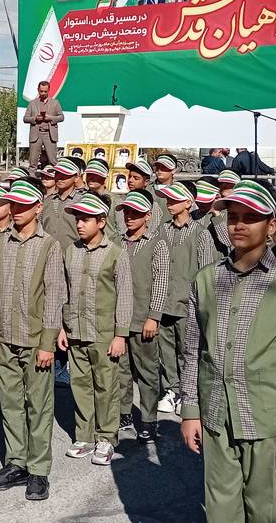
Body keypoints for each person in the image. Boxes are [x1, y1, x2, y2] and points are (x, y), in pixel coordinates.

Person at [180, 180, 276, 523]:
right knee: (221, 510)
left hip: (267, 422)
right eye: (233, 217)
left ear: (271, 225)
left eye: (250, 217)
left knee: (267, 512)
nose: (238, 225)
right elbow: (193, 349)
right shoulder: (207, 279)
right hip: (216, 417)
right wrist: (190, 410)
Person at [0, 177, 66, 501]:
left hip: (35, 343)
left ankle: (39, 470)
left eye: (23, 204)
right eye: (13, 203)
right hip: (4, 338)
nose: (16, 209)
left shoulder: (49, 245)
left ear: (38, 207)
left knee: (40, 407)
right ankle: (16, 462)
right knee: (11, 403)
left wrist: (47, 343)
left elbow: (54, 295)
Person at [58, 192, 132, 464]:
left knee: (106, 386)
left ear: (101, 222)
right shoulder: (71, 251)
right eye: (78, 219)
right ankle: (85, 436)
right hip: (75, 330)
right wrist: (61, 328)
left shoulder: (115, 254)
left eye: (86, 219)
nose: (79, 224)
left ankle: (106, 437)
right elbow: (63, 292)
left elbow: (124, 295)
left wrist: (120, 335)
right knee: (80, 385)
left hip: (104, 333)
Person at [115, 189, 169, 442]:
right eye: (127, 212)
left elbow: (160, 281)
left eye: (136, 213)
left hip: (143, 317)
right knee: (121, 371)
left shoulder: (157, 242)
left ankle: (148, 420)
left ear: (148, 216)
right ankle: (124, 413)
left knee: (147, 372)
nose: (130, 217)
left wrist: (153, 316)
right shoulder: (118, 242)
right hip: (120, 320)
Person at [150, 182, 198, 416]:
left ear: (188, 203)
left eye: (174, 199)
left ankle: (189, 393)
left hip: (187, 303)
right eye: (167, 199)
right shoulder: (161, 230)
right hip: (164, 303)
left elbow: (206, 270)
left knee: (187, 350)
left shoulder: (200, 233)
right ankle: (172, 389)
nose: (169, 203)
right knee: (166, 350)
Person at [23, 80, 64, 171]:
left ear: (49, 90)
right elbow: (25, 118)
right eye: (41, 91)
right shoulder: (32, 103)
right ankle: (32, 180)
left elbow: (61, 117)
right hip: (36, 135)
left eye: (45, 91)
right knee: (33, 162)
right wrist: (35, 119)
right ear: (38, 90)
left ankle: (55, 181)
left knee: (53, 161)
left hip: (49, 135)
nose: (43, 93)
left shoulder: (55, 103)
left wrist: (50, 118)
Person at [41, 157, 81, 250]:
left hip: (72, 257)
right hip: (47, 255)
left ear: (76, 178)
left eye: (65, 174)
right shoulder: (47, 201)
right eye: (57, 173)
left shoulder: (82, 201)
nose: (60, 178)